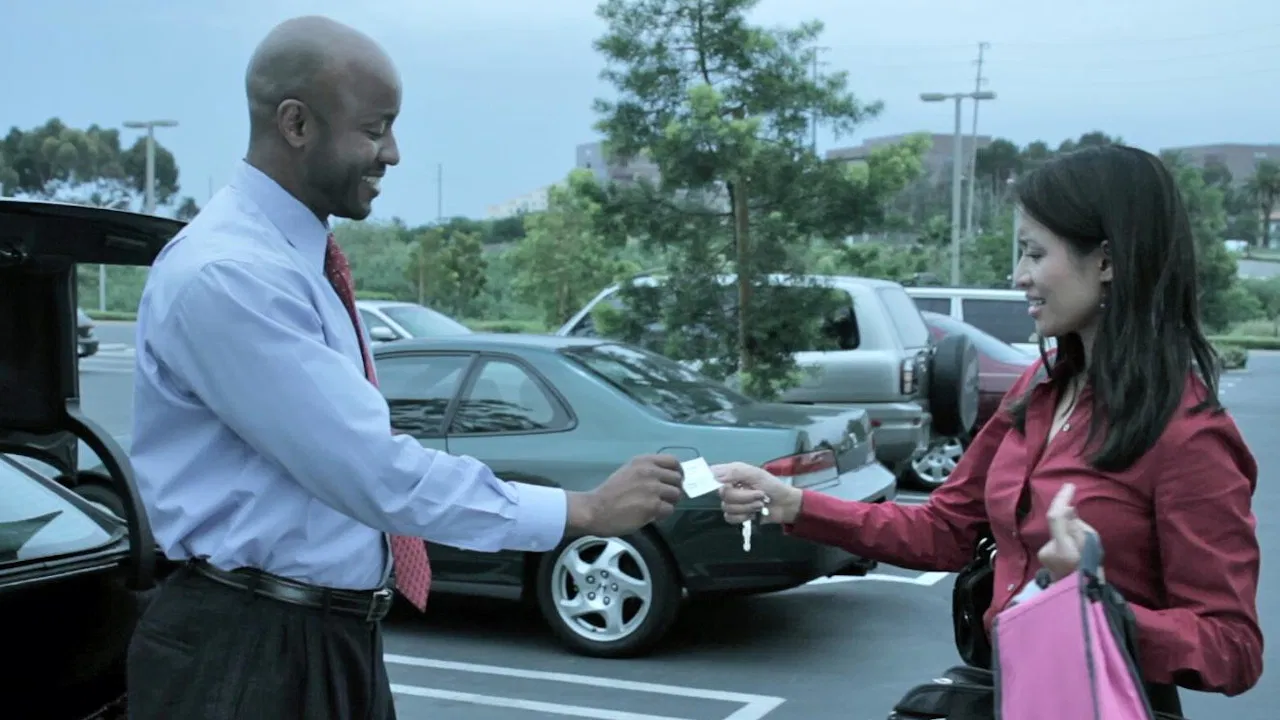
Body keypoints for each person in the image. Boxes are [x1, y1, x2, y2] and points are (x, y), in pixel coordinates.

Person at [126, 16, 684, 720]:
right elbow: (372, 471)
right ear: (296, 124)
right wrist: (583, 511)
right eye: (374, 128)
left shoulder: (294, 262)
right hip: (251, 652)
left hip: (322, 636)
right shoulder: (230, 275)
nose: (392, 153)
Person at [716, 145, 1263, 712]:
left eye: (1033, 253)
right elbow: (944, 530)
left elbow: (1233, 648)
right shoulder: (1038, 390)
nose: (1018, 275)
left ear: (1107, 262)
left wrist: (1092, 604)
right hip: (1010, 693)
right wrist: (791, 504)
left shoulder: (1187, 436)